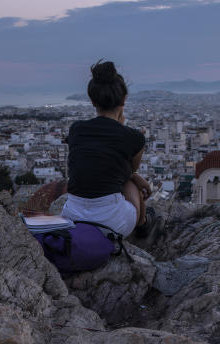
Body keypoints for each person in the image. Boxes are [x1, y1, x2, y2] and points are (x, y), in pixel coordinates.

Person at [61, 60, 152, 236]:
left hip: (72, 218)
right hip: (112, 224)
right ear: (124, 99)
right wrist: (138, 178)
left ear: (93, 101)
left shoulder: (76, 129)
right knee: (130, 183)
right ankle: (143, 224)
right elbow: (128, 172)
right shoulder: (133, 137)